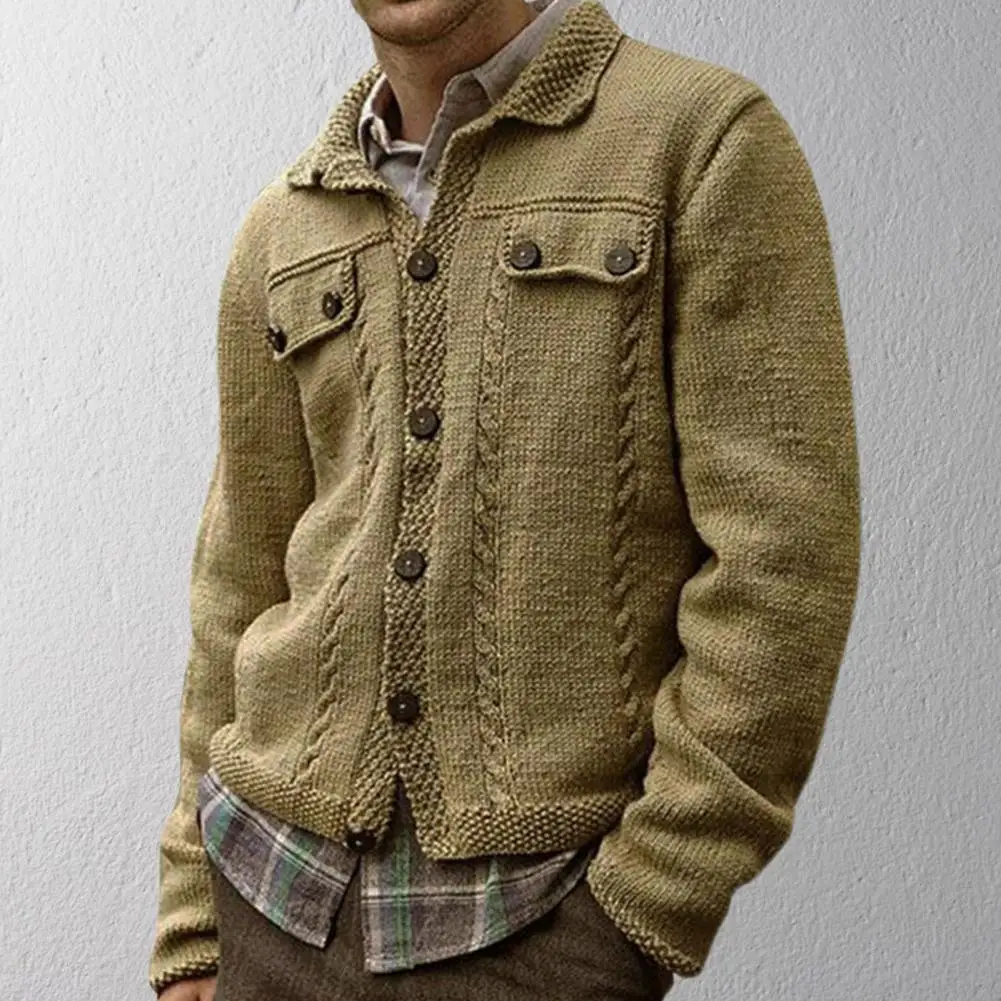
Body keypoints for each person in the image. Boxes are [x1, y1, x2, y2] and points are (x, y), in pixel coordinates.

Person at [148, 0, 861, 998]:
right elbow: (237, 581)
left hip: (536, 928)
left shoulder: (697, 141)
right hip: (265, 896)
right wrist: (193, 909)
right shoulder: (286, 221)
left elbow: (782, 559)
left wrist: (647, 901)